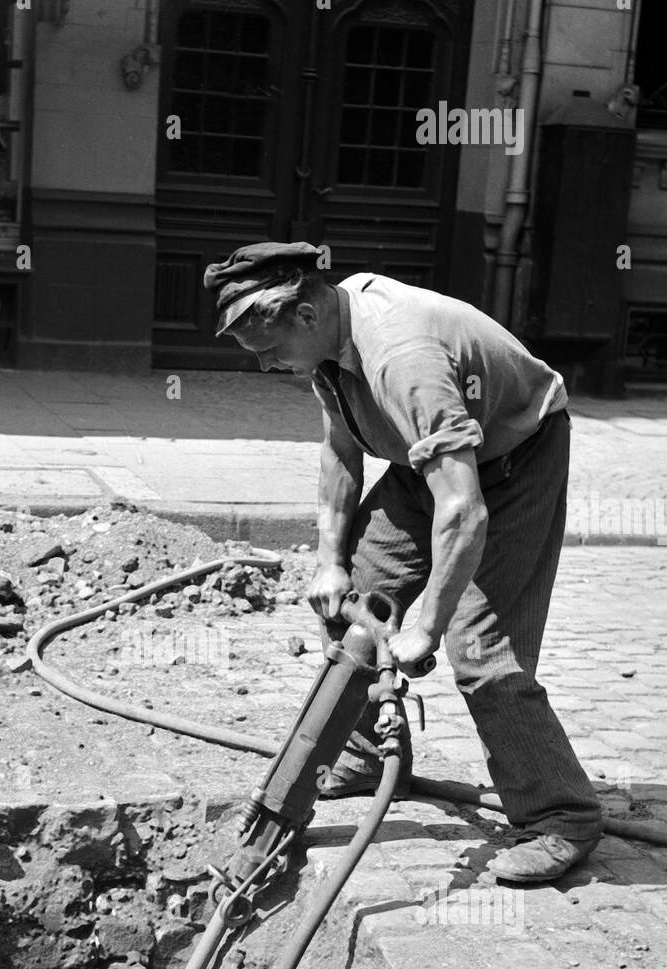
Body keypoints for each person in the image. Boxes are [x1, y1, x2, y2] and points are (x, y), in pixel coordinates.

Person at [203, 241, 603, 883]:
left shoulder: (401, 355)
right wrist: (331, 562)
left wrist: (429, 627)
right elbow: (341, 449)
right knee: (351, 598)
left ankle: (561, 816)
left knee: (479, 649)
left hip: (512, 461)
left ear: (305, 314)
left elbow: (464, 511)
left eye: (270, 350)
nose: (265, 366)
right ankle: (363, 755)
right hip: (431, 464)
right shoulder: (329, 339)